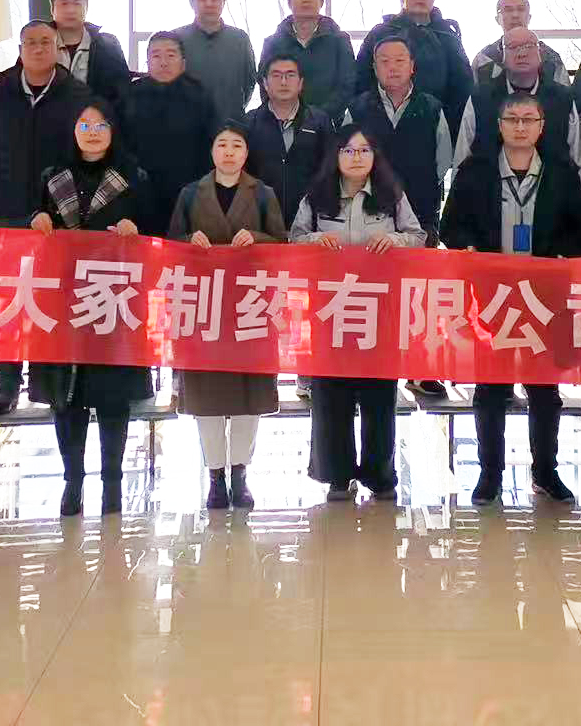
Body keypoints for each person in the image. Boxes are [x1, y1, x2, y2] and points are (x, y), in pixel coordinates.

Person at [441, 94, 581, 507]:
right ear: (500, 125)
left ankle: (546, 473)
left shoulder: (561, 172)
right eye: (512, 119)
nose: (520, 126)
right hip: (495, 296)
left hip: (546, 296)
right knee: (491, 387)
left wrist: (562, 254)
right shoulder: (475, 172)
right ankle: (489, 475)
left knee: (544, 390)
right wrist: (470, 248)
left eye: (529, 119)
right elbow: (450, 226)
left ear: (542, 126)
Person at [28, 100, 155, 518]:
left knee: (112, 396)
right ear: (73, 130)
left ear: (113, 131)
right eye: (85, 125)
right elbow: (31, 220)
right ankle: (73, 481)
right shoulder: (52, 176)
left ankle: (112, 482)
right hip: (62, 299)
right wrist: (37, 219)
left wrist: (136, 230)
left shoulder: (133, 177)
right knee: (67, 397)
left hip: (112, 298)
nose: (93, 132)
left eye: (101, 125)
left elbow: (156, 232)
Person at [290, 127, 427, 500]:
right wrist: (315, 240)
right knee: (330, 394)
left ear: (374, 156)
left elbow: (418, 237)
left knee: (379, 396)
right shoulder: (317, 197)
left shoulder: (391, 196)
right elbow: (294, 239)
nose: (356, 157)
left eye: (364, 150)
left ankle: (380, 476)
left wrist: (395, 239)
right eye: (348, 151)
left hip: (378, 309)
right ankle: (337, 475)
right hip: (330, 310)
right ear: (335, 156)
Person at [0, 19, 92, 413]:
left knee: (55, 296)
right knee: (10, 298)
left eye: (46, 42)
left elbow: (88, 153)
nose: (39, 49)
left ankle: (50, 384)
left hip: (60, 214)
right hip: (9, 208)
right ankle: (7, 383)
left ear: (58, 49)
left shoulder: (77, 95)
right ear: (21, 49)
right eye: (31, 43)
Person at [168, 122, 289, 511]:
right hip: (204, 312)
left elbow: (282, 244)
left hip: (250, 309)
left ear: (246, 153)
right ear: (212, 152)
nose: (230, 152)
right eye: (222, 144)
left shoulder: (264, 194)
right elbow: (170, 245)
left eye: (237, 145)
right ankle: (215, 477)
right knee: (207, 400)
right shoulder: (190, 194)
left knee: (247, 400)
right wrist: (189, 241)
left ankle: (240, 473)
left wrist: (258, 238)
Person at [343, 32, 455, 398]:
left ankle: (420, 370)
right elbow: (347, 157)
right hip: (369, 214)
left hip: (419, 213)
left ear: (413, 66)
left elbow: (443, 161)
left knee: (420, 296)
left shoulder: (431, 107)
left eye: (399, 61)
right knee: (371, 293)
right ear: (374, 68)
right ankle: (365, 368)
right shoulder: (358, 108)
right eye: (385, 61)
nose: (392, 68)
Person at [353, 0, 474, 142]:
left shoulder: (448, 36)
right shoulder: (380, 33)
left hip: (435, 126)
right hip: (380, 126)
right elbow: (361, 79)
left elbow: (462, 87)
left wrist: (449, 128)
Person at [118, 32, 218, 236]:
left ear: (183, 62)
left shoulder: (199, 96)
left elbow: (211, 146)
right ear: (147, 62)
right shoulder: (129, 95)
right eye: (156, 55)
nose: (163, 62)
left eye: (171, 55)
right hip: (140, 194)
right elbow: (119, 146)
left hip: (189, 193)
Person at [455, 27, 581, 182]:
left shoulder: (562, 99)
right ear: (502, 55)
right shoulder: (480, 99)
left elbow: (577, 159)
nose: (522, 53)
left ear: (540, 53)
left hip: (553, 190)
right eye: (513, 47)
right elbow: (462, 157)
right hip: (490, 191)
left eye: (529, 46)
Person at [244, 53, 331, 228]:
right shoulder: (249, 122)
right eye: (276, 75)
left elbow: (329, 170)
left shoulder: (319, 121)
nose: (283, 82)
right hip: (260, 222)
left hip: (310, 222)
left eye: (290, 75)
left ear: (300, 83)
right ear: (265, 84)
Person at [258, 0, 357, 119]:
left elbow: (347, 86)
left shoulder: (339, 41)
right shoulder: (272, 43)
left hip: (328, 124)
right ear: (289, 2)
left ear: (321, 2)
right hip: (282, 123)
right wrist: (285, 117)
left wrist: (319, 119)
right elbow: (265, 85)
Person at [172, 0, 258, 124]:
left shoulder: (240, 39)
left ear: (223, 2)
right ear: (191, 3)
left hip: (230, 127)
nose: (209, 3)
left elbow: (249, 82)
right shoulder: (175, 39)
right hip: (185, 126)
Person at [43, 0, 132, 101]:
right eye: (64, 3)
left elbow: (122, 92)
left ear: (86, 8)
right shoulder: (35, 43)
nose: (71, 10)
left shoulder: (108, 45)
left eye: (77, 3)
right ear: (52, 9)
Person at [470, 0, 570, 88]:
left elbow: (564, 94)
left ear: (529, 17)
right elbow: (474, 95)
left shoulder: (549, 57)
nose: (515, 15)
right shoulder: (485, 58)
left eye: (521, 9)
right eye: (508, 10)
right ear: (497, 19)